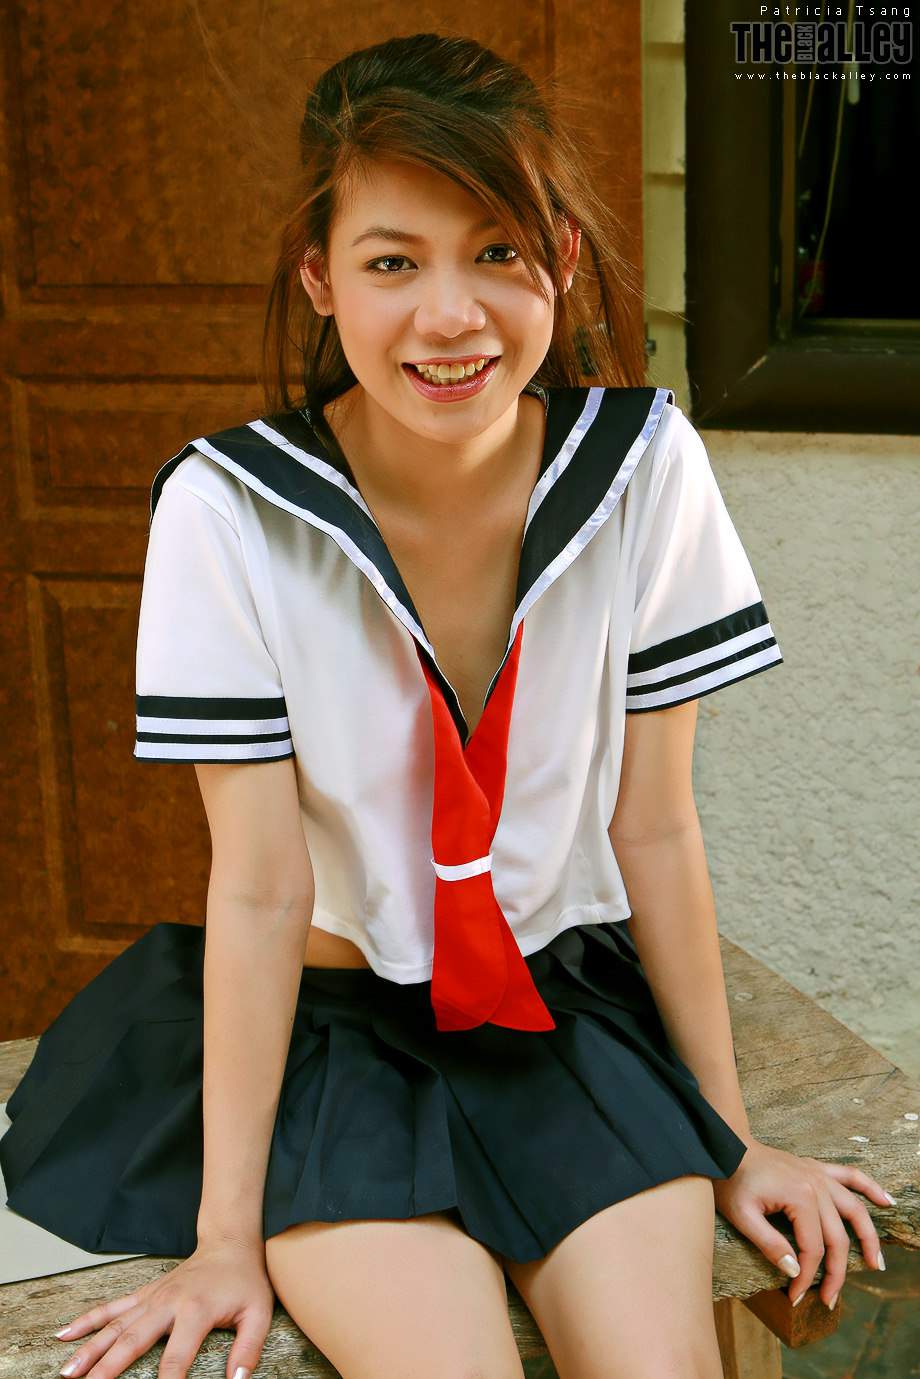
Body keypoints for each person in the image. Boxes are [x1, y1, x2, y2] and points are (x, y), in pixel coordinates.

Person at [0, 30, 893, 1379]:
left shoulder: (642, 468)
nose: (451, 314)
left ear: (563, 261)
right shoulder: (228, 510)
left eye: (497, 251)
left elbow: (655, 827)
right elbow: (260, 884)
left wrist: (732, 1138)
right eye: (392, 262)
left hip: (560, 1019)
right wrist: (224, 1238)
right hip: (335, 1042)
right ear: (320, 278)